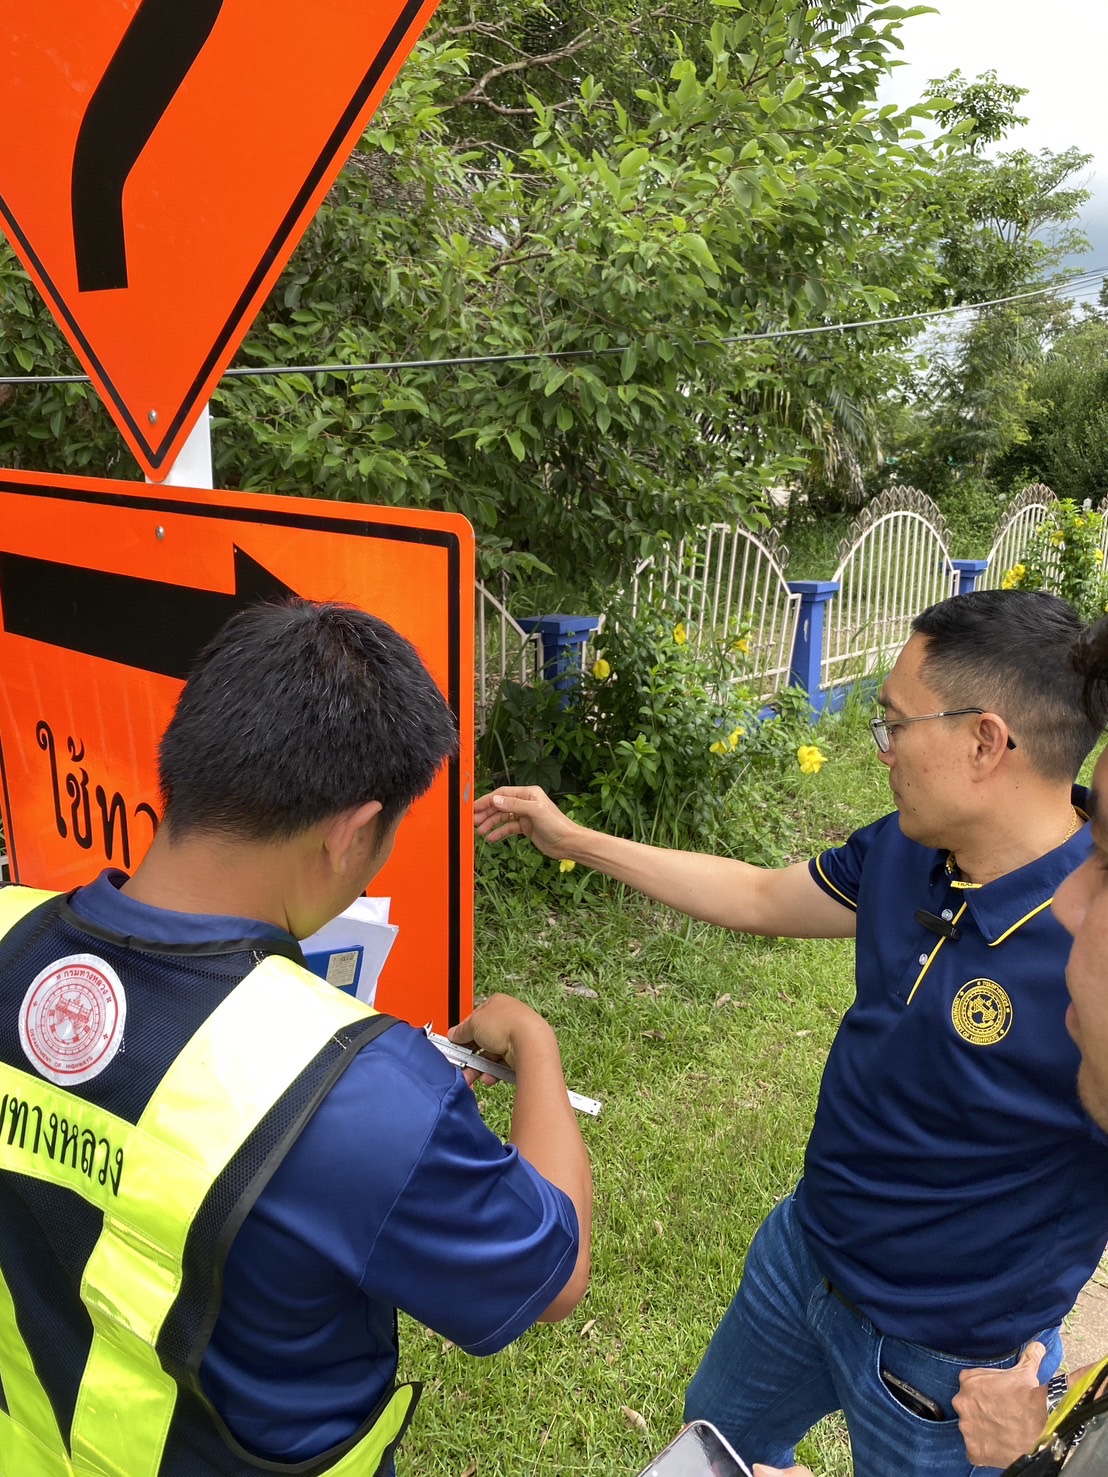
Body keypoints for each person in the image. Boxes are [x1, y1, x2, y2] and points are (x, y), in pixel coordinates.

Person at [476, 589, 1108, 1477]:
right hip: (805, 1253)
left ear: (984, 741)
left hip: (950, 1366)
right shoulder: (908, 848)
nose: (882, 747)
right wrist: (574, 838)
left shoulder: (1094, 945)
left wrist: (1052, 1407)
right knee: (712, 1450)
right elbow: (759, 894)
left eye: (895, 723)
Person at [0, 599, 592, 1477]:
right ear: (351, 833)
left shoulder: (10, 932)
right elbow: (555, 1268)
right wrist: (536, 1046)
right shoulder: (367, 1094)